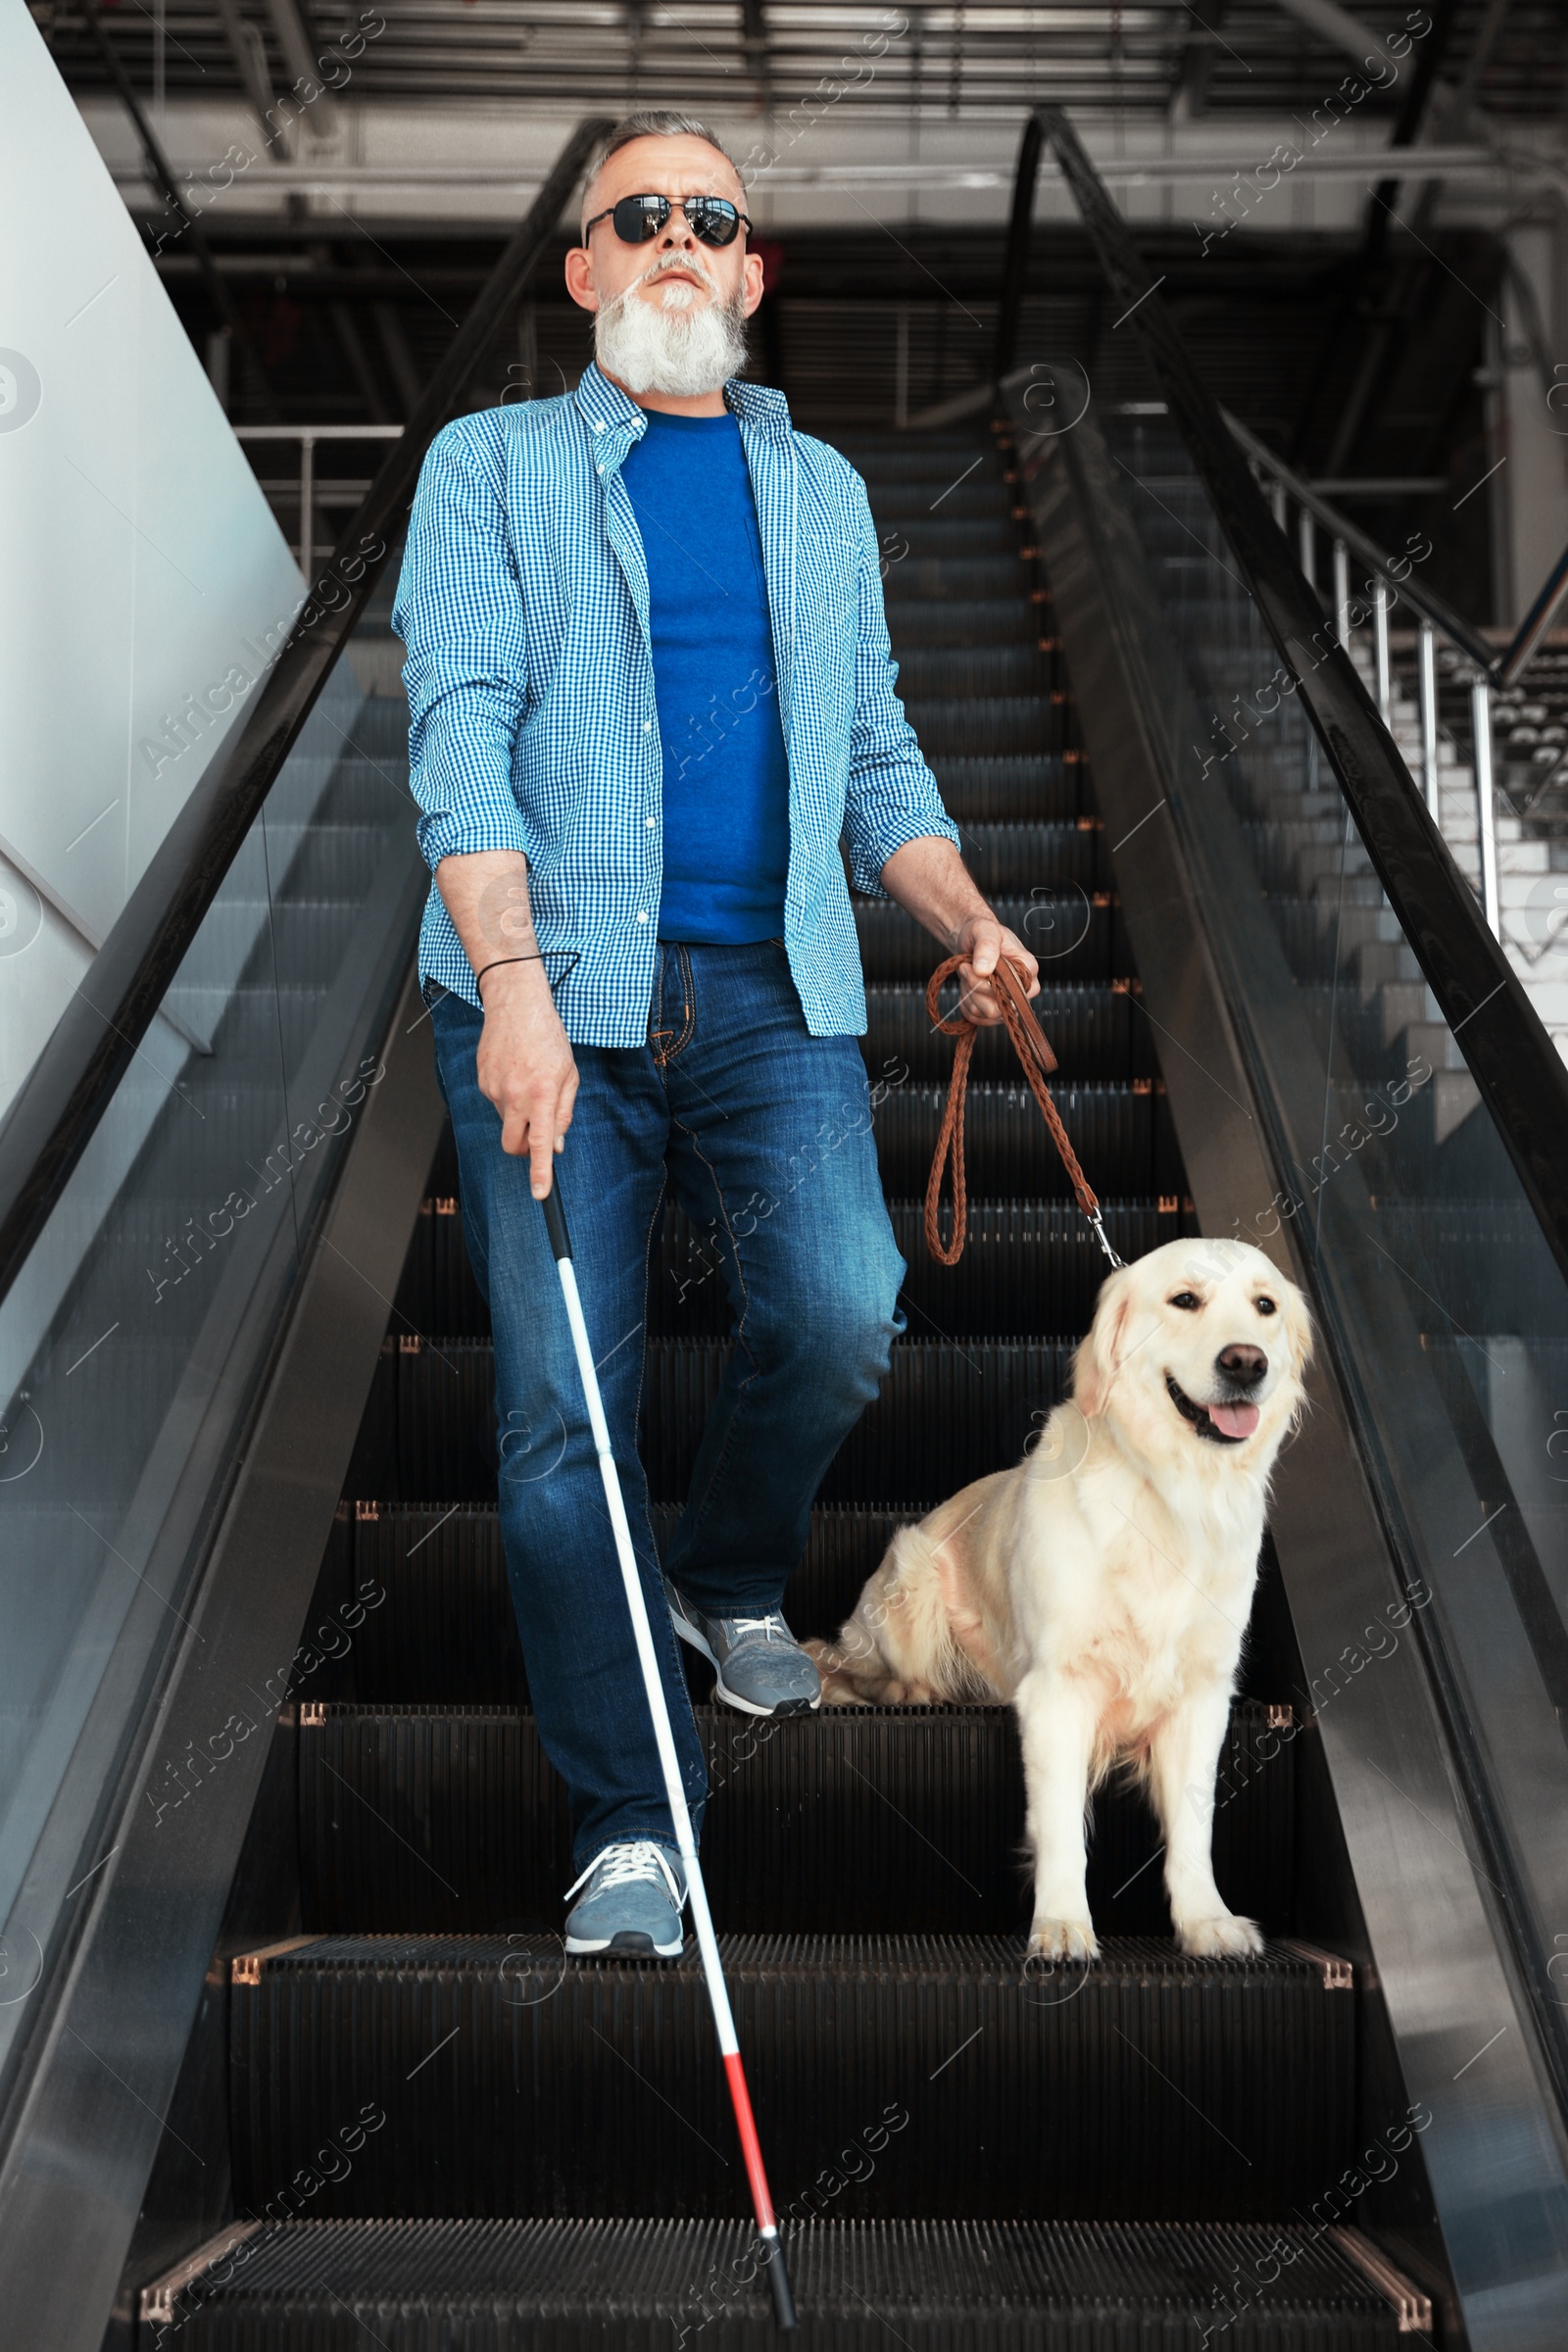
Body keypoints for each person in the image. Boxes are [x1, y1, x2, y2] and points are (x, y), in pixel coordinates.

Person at [393, 109, 1039, 1958]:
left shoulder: (822, 491)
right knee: (553, 1419)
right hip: (552, 1004)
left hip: (778, 986)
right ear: (585, 267)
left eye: (714, 219)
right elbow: (457, 726)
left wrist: (968, 917)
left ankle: (728, 1575)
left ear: (749, 275)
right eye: (639, 215)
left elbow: (877, 757)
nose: (678, 238)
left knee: (842, 1311)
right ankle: (627, 1822)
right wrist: (510, 986)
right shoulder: (492, 465)